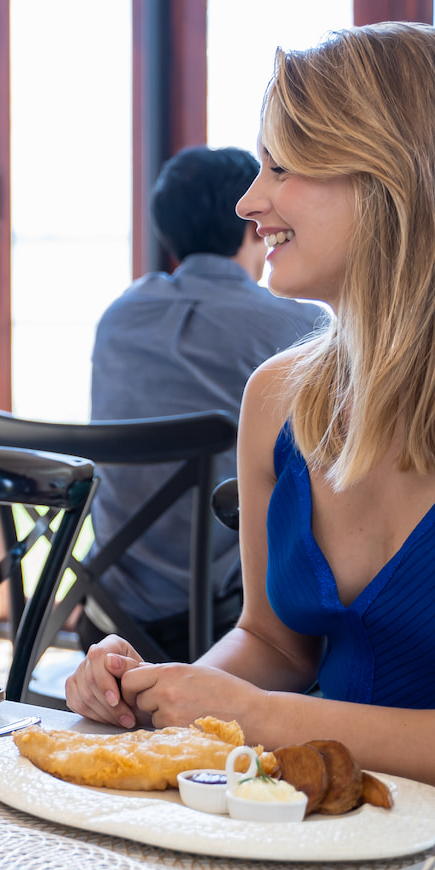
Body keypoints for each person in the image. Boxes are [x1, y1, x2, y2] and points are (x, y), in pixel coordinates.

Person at [66, 23, 435, 815]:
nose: (250, 202)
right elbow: (275, 645)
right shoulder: (277, 395)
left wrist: (272, 720)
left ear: (400, 176)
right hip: (317, 831)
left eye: (283, 166)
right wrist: (160, 694)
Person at [82, 146, 326, 662]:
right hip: (231, 628)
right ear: (249, 224)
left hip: (106, 621)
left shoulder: (118, 317)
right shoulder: (296, 331)